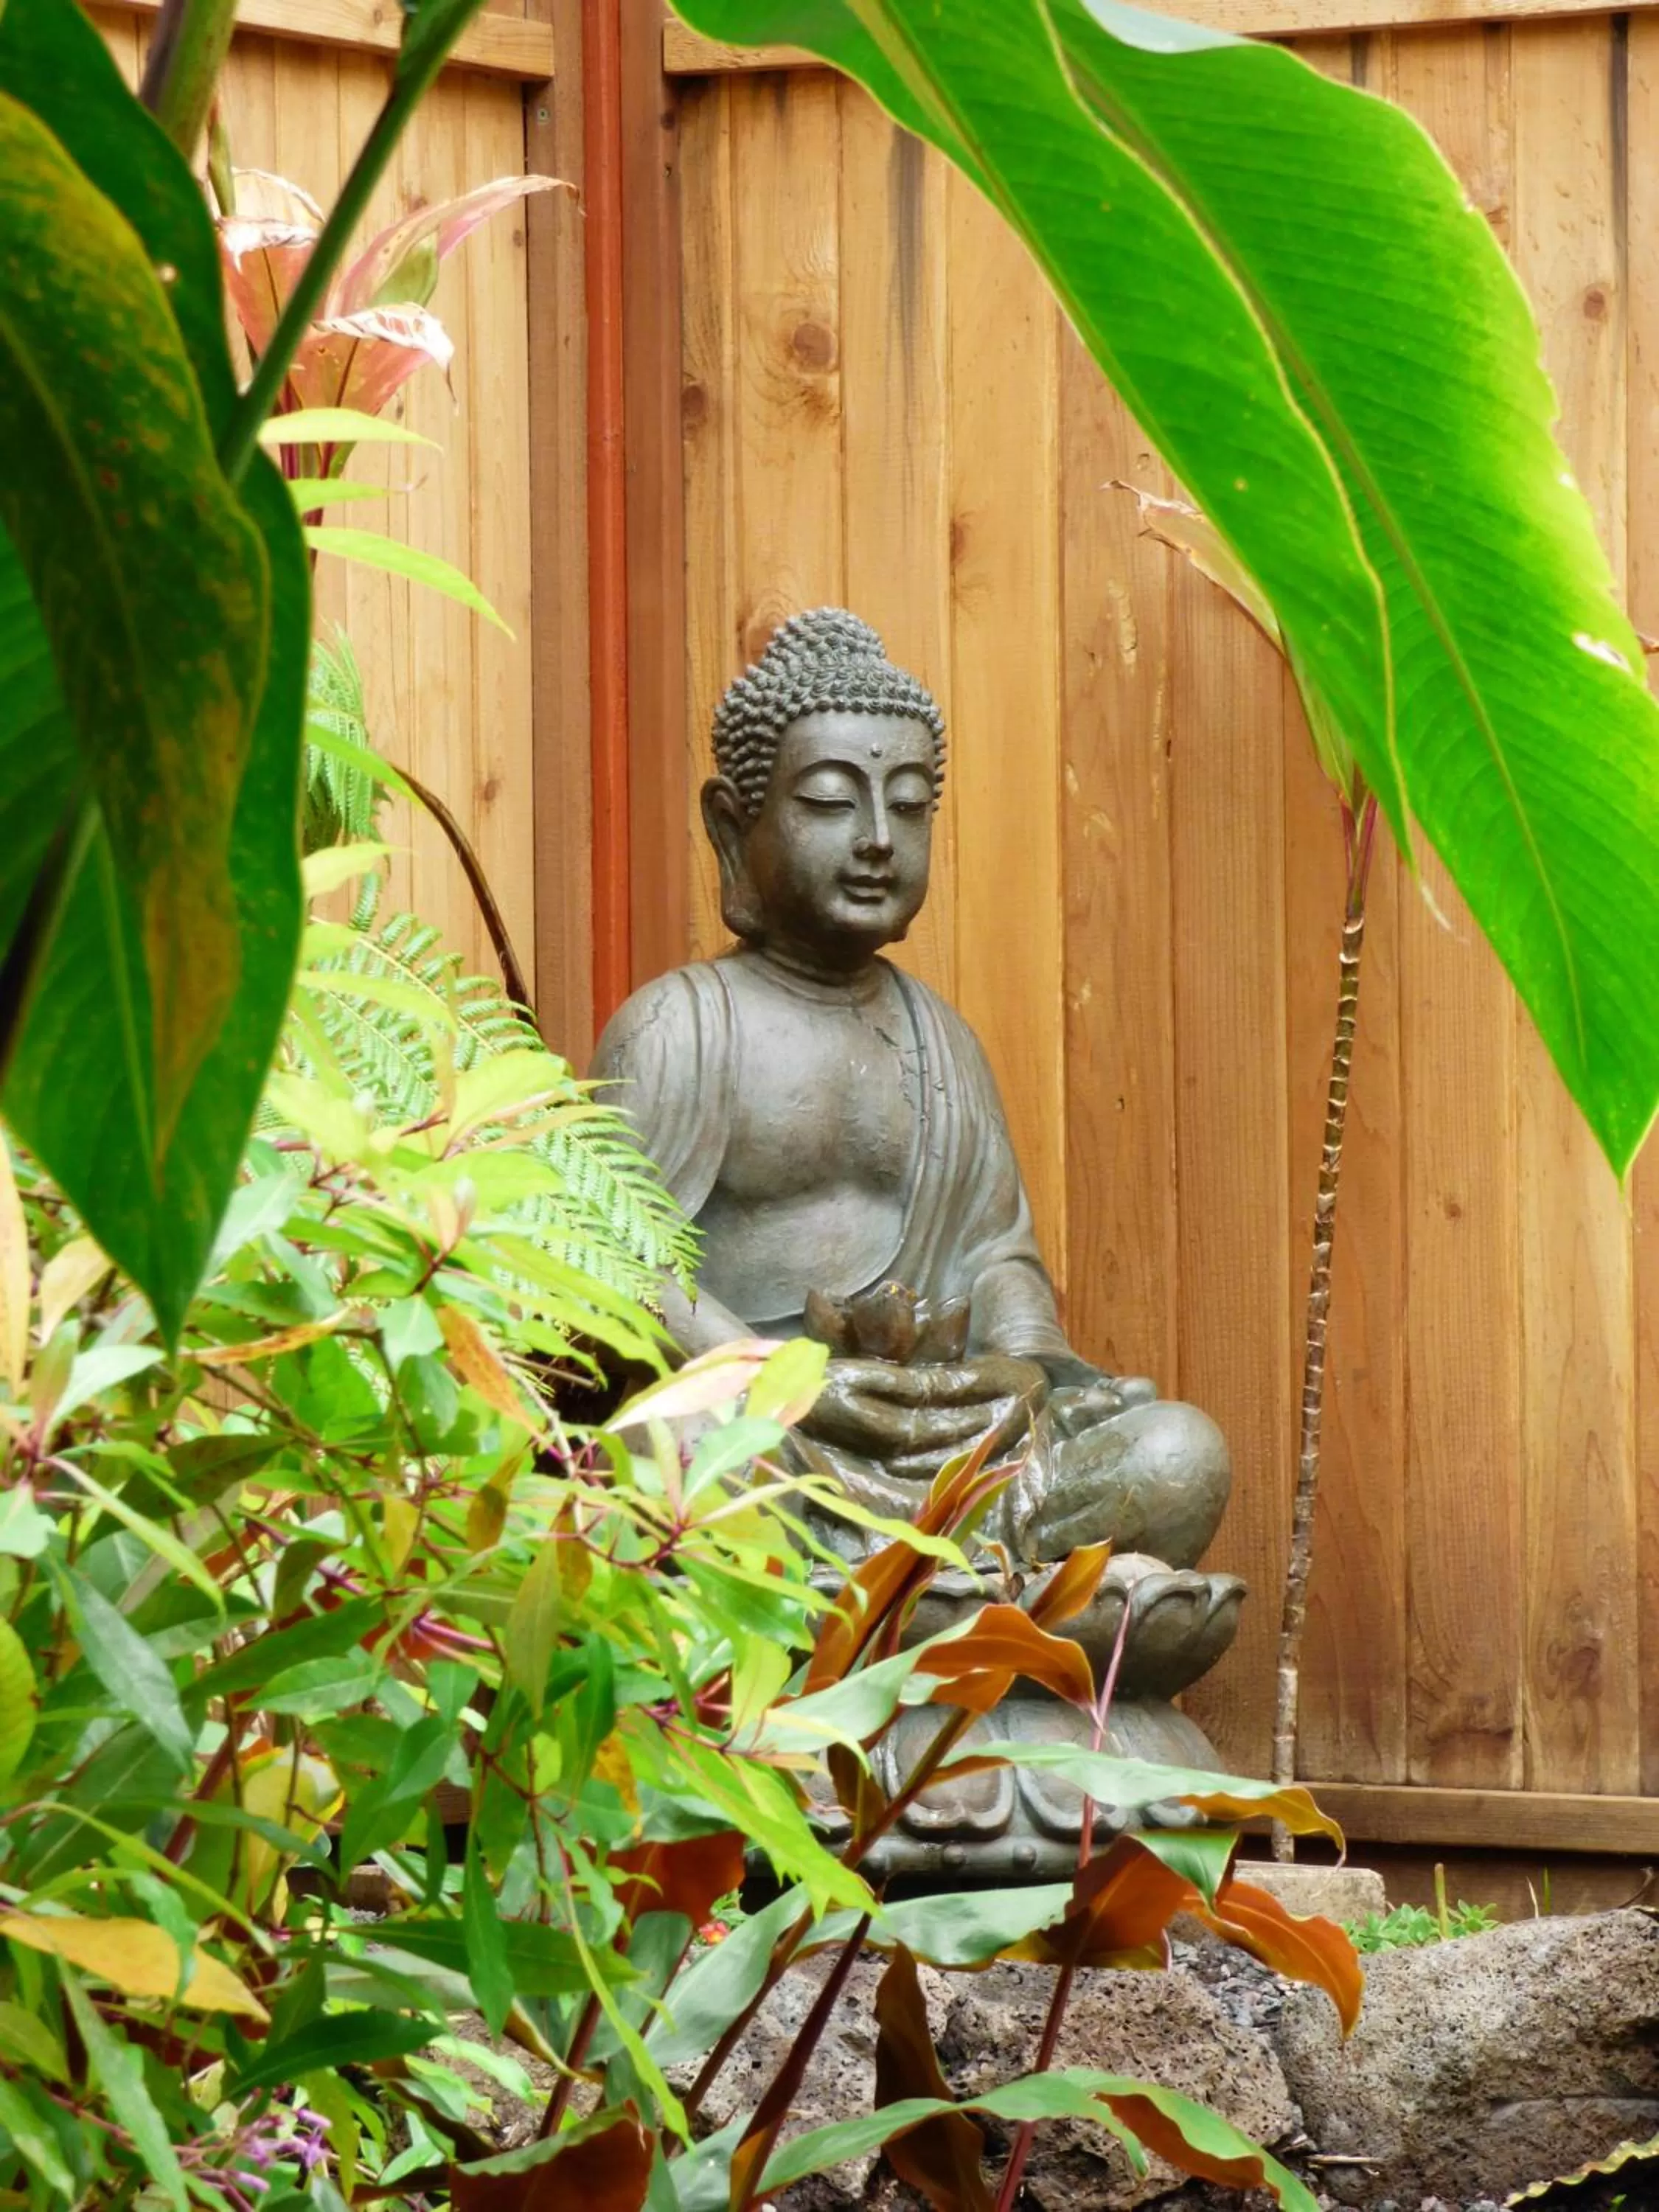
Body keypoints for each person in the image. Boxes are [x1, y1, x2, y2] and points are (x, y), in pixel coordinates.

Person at [592, 609, 1230, 1568]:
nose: (878, 839)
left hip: (940, 1452)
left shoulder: (943, 1046)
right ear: (732, 825)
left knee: (1178, 1455)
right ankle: (983, 1620)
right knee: (666, 1448)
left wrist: (1037, 1372)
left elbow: (992, 1258)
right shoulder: (679, 1027)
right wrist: (787, 1386)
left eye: (910, 802)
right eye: (831, 802)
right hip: (769, 1438)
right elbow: (614, 1268)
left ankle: (917, 1602)